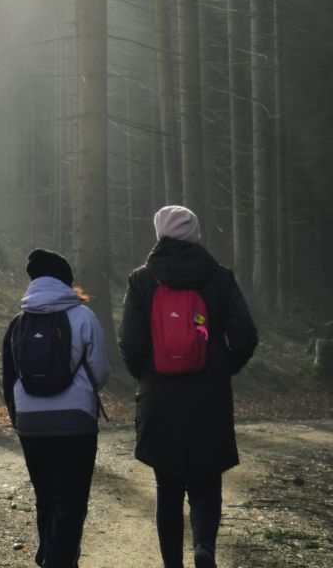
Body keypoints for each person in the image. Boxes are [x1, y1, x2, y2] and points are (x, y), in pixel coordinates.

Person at [118, 205, 258, 568]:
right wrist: (220, 368)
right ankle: (204, 548)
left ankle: (172, 565)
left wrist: (146, 375)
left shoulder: (142, 279)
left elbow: (130, 342)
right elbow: (245, 336)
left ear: (159, 232)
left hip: (159, 398)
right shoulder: (220, 277)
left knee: (168, 486)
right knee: (207, 481)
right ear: (195, 233)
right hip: (208, 396)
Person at [2, 247, 110, 568]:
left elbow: (8, 379)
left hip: (31, 423)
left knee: (45, 492)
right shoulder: (84, 317)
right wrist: (83, 395)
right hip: (76, 422)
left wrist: (18, 418)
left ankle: (49, 549)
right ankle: (58, 559)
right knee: (71, 498)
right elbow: (100, 371)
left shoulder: (18, 323)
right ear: (66, 281)